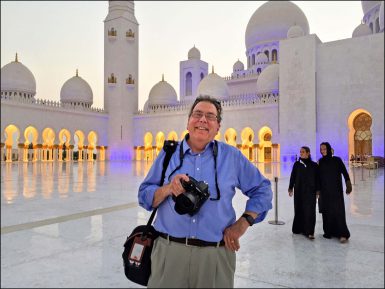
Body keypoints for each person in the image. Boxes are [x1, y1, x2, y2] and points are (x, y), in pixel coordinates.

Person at [138, 95, 273, 288]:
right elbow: (144, 195)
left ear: (218, 127)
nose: (202, 120)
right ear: (188, 122)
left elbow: (263, 189)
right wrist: (169, 188)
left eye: (210, 116)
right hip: (169, 254)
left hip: (215, 256)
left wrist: (244, 222)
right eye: (197, 114)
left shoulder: (231, 157)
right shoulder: (168, 154)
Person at [318, 142, 352, 243]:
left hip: (336, 191)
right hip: (325, 192)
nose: (323, 151)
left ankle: (342, 234)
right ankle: (329, 232)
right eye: (321, 149)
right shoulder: (320, 162)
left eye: (324, 149)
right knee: (327, 212)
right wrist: (318, 190)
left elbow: (344, 172)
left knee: (338, 212)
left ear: (328, 149)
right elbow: (318, 177)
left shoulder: (337, 160)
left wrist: (348, 183)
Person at [288, 146, 320, 240]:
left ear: (308, 153)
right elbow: (293, 176)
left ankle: (310, 232)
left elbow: (317, 179)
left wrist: (318, 191)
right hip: (299, 191)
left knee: (310, 211)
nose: (301, 153)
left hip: (310, 192)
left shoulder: (314, 165)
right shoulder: (297, 164)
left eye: (303, 152)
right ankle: (298, 229)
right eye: (300, 152)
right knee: (299, 209)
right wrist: (290, 188)